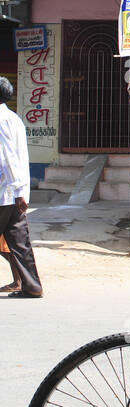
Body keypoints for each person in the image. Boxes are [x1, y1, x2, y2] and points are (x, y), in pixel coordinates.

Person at [0, 76, 43, 297]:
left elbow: (7, 157)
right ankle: (32, 286)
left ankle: (30, 285)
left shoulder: (1, 119)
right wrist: (22, 192)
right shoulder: (13, 118)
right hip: (15, 194)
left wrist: (17, 189)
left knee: (18, 243)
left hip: (4, 193)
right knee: (19, 243)